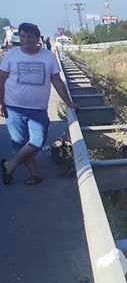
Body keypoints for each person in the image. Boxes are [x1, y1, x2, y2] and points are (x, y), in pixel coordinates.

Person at [0, 22, 81, 185]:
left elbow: (57, 81)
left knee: (37, 141)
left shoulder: (48, 56)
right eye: (22, 36)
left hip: (38, 108)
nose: (25, 40)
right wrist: (0, 102)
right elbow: (1, 79)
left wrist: (69, 102)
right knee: (19, 143)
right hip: (13, 107)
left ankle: (10, 164)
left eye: (30, 36)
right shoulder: (11, 55)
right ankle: (34, 174)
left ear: (38, 39)